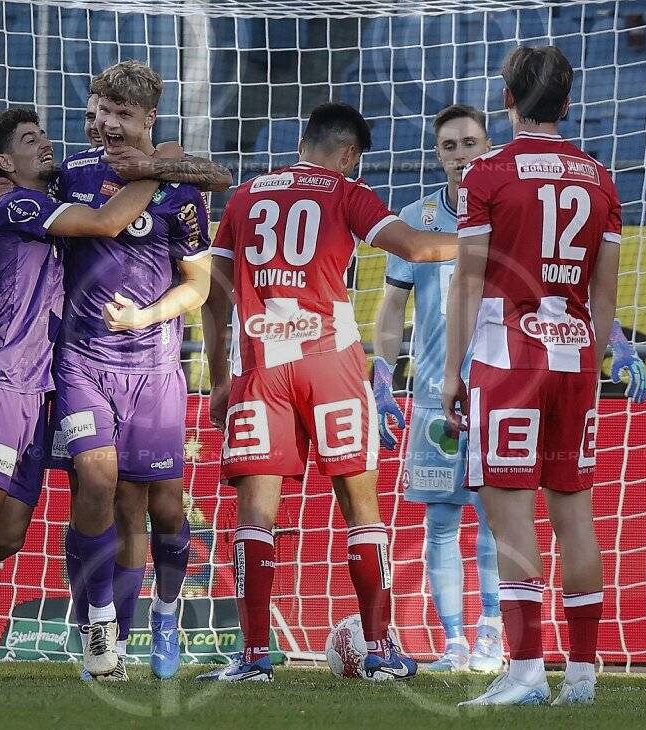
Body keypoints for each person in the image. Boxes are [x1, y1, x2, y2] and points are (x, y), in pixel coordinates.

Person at [0, 106, 179, 680]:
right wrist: (160, 168)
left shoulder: (52, 194)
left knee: (8, 533)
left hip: (41, 386)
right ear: (6, 161)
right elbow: (106, 223)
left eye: (44, 136)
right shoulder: (18, 202)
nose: (45, 145)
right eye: (31, 140)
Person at [201, 101, 459, 682]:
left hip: (262, 365)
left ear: (304, 138)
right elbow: (417, 248)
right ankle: (379, 650)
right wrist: (487, 243)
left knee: (255, 518)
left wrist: (219, 378)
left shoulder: (244, 196)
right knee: (360, 512)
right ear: (349, 154)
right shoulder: (346, 191)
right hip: (329, 363)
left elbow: (215, 294)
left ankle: (254, 658)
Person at [445, 46, 622, 707]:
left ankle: (524, 672)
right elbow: (604, 298)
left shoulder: (486, 174)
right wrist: (589, 361)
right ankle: (580, 677)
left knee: (510, 517)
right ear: (569, 103)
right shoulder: (600, 179)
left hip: (507, 357)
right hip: (575, 358)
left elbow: (467, 279)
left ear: (507, 98)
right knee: (574, 514)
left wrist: (452, 377)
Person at [56, 87, 232, 681]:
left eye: (123, 114)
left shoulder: (180, 189)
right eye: (102, 111)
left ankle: (162, 616)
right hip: (81, 361)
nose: (108, 123)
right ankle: (102, 628)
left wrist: (146, 316)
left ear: (148, 119)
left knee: (158, 510)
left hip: (153, 367)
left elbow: (198, 285)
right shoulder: (71, 174)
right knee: (101, 482)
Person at [372, 104, 502, 672]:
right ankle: (453, 643)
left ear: (487, 145)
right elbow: (393, 304)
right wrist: (381, 370)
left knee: (498, 518)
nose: (460, 156)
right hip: (431, 394)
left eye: (469, 143)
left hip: (498, 387)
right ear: (437, 152)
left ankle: (493, 633)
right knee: (441, 522)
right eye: (449, 146)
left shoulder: (508, 210)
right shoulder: (417, 216)